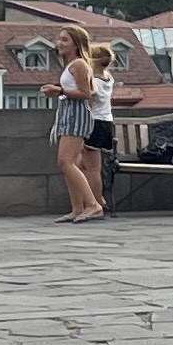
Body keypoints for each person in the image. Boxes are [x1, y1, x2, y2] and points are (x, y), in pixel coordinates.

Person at [50, 25, 109, 221]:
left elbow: (86, 93)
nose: (59, 43)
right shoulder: (73, 65)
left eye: (64, 40)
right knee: (69, 163)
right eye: (59, 39)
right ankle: (77, 208)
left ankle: (93, 205)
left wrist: (59, 91)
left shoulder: (79, 65)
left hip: (76, 115)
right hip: (69, 113)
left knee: (66, 162)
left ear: (76, 44)